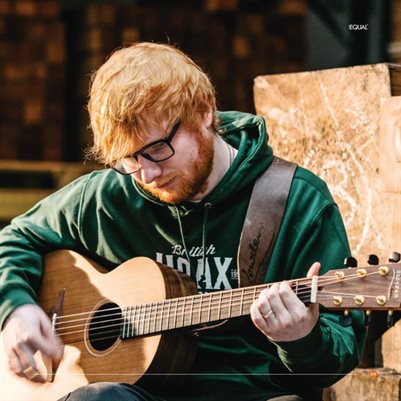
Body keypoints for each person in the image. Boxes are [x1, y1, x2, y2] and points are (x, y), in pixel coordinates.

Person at [0, 42, 365, 401]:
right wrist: (16, 307)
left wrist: (302, 338)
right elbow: (15, 238)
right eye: (129, 158)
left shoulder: (297, 201)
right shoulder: (106, 199)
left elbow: (336, 356)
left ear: (204, 110)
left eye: (158, 148)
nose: (147, 174)